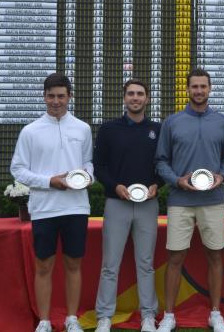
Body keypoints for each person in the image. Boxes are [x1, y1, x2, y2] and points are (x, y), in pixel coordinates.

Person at [10, 73, 93, 332]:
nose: (56, 101)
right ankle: (44, 321)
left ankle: (72, 319)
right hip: (44, 209)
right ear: (44, 97)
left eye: (61, 96)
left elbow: (88, 162)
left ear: (69, 97)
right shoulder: (30, 131)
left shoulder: (83, 128)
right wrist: (50, 181)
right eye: (51, 96)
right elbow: (18, 170)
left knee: (73, 264)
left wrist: (88, 176)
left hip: (76, 207)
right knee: (44, 265)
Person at [155, 68, 224, 332]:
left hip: (213, 200)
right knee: (175, 257)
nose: (199, 91)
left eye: (203, 86)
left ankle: (215, 313)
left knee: (215, 256)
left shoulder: (223, 122)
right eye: (194, 87)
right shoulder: (172, 122)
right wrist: (177, 180)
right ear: (187, 90)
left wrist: (222, 176)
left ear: (210, 89)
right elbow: (161, 161)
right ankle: (168, 315)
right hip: (179, 200)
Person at [93, 79, 162, 332]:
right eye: (131, 94)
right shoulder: (109, 129)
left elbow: (163, 164)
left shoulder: (157, 129)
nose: (135, 98)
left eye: (140, 94)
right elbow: (99, 166)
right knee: (110, 264)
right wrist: (116, 187)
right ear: (124, 98)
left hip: (148, 205)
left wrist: (157, 184)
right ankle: (104, 316)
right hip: (116, 203)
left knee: (145, 262)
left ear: (147, 99)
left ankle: (147, 315)